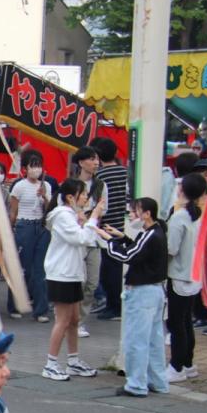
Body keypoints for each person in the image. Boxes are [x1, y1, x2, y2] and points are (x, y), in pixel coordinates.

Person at [95, 197, 168, 397]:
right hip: (155, 292)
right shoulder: (157, 232)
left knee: (136, 340)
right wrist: (121, 237)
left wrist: (108, 241)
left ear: (147, 214)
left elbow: (128, 256)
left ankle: (136, 384)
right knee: (154, 340)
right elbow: (139, 250)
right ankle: (158, 381)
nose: (132, 215)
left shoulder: (150, 234)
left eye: (135, 211)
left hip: (142, 292)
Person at [41, 179, 103, 381]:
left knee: (74, 320)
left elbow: (86, 237)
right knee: (63, 320)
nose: (86, 196)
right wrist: (92, 219)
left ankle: (73, 361)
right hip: (62, 274)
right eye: (83, 193)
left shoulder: (71, 215)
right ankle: (50, 364)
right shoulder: (62, 216)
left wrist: (87, 221)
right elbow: (81, 238)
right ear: (70, 197)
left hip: (73, 273)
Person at [166, 173, 207, 383]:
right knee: (186, 321)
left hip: (179, 275)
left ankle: (176, 366)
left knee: (176, 324)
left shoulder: (179, 216)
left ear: (182, 190)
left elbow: (170, 248)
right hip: (195, 274)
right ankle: (189, 363)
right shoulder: (200, 214)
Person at [5, 150, 51, 321]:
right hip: (24, 226)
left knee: (40, 269)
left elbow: (49, 210)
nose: (36, 169)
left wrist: (45, 196)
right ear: (25, 168)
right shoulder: (19, 186)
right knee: (22, 269)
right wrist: (10, 230)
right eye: (33, 166)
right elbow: (13, 211)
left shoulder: (46, 186)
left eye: (38, 165)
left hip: (41, 226)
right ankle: (14, 305)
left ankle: (40, 310)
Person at [93, 137, 129, 320]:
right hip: (122, 226)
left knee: (109, 269)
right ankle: (113, 304)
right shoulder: (125, 172)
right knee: (115, 267)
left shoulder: (99, 177)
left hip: (106, 227)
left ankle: (114, 306)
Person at [70, 146, 105, 336]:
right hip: (75, 238)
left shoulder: (101, 185)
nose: (96, 163)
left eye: (97, 159)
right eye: (92, 159)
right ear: (81, 162)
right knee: (78, 282)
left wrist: (90, 215)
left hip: (93, 238)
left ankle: (80, 320)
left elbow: (103, 209)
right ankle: (73, 322)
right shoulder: (71, 184)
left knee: (92, 282)